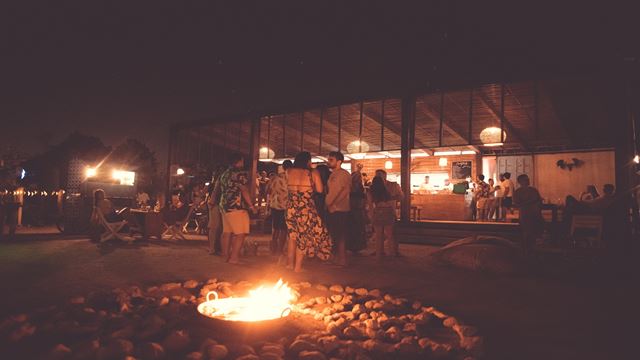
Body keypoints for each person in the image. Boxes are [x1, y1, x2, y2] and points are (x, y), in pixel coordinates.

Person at [285, 152, 332, 272]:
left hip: (291, 208)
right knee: (303, 237)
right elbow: (320, 190)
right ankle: (298, 267)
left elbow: (287, 188)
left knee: (292, 237)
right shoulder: (312, 173)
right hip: (305, 208)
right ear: (307, 161)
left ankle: (289, 264)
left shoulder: (288, 172)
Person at [218, 154, 257, 264]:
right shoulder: (240, 174)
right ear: (239, 161)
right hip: (236, 206)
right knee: (240, 233)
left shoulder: (225, 174)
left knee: (227, 232)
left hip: (224, 205)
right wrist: (251, 206)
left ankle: (225, 256)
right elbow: (244, 190)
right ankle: (234, 257)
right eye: (242, 160)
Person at [325, 151, 351, 266]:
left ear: (339, 161)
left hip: (339, 208)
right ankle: (336, 258)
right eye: (329, 159)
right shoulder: (333, 174)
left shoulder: (343, 174)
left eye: (331, 160)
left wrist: (332, 204)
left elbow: (344, 191)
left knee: (340, 235)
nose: (328, 162)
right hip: (333, 207)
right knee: (335, 234)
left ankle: (342, 259)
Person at [367, 176, 398, 261]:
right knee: (389, 235)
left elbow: (370, 205)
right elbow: (391, 203)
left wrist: (371, 216)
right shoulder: (386, 191)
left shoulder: (371, 191)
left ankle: (379, 255)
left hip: (378, 211)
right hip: (388, 211)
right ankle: (392, 254)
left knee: (378, 235)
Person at [513, 174, 543, 258]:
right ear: (520, 182)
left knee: (534, 233)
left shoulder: (533, 190)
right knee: (526, 233)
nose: (528, 181)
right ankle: (526, 252)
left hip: (534, 214)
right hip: (525, 214)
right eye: (526, 179)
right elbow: (516, 203)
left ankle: (532, 252)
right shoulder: (518, 192)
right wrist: (531, 202)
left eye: (528, 179)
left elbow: (539, 201)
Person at [373, 169, 403, 255]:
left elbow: (401, 197)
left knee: (391, 233)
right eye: (376, 175)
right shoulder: (375, 187)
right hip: (379, 212)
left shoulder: (393, 185)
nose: (378, 177)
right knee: (380, 234)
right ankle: (380, 251)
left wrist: (392, 199)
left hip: (390, 211)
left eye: (379, 175)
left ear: (384, 176)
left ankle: (394, 251)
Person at [268, 160, 292, 256]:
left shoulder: (275, 177)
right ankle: (280, 250)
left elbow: (268, 190)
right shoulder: (290, 177)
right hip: (286, 206)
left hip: (275, 205)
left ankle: (273, 249)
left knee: (275, 228)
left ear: (283, 166)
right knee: (284, 229)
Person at [206, 166, 226, 255]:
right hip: (216, 204)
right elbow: (214, 193)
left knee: (217, 227)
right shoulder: (217, 182)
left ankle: (215, 247)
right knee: (215, 227)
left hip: (217, 204)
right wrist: (212, 202)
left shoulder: (214, 183)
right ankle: (213, 248)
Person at [349, 162, 366, 253]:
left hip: (354, 208)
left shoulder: (351, 188)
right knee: (356, 227)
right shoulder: (358, 189)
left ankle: (354, 246)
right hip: (356, 209)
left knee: (354, 227)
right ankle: (356, 246)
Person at [0, 176, 19, 241]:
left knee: (13, 220)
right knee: (2, 219)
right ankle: (1, 235)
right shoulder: (3, 185)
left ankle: (11, 236)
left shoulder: (14, 186)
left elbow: (15, 188)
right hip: (4, 204)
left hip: (13, 204)